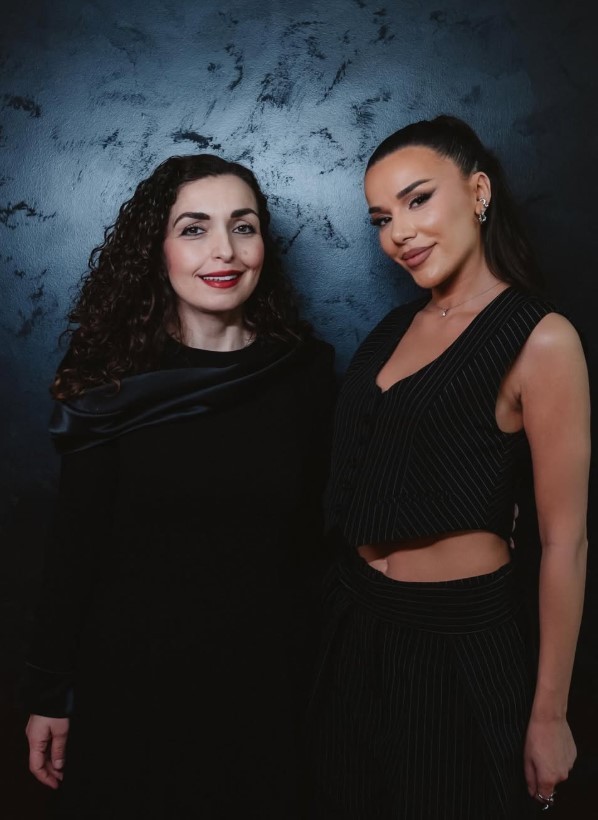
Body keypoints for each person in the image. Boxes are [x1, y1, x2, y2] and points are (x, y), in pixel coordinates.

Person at [23, 154, 335, 819]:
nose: (225, 250)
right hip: (130, 686)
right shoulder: (108, 377)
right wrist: (50, 694)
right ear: (156, 249)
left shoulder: (305, 370)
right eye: (194, 228)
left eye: (243, 227)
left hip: (266, 689)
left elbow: (319, 539)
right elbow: (73, 546)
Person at [308, 115, 590, 819]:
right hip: (354, 623)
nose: (398, 233)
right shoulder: (390, 329)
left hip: (458, 638)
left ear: (478, 191)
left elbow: (565, 540)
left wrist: (550, 713)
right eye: (381, 218)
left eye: (417, 199)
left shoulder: (542, 338)